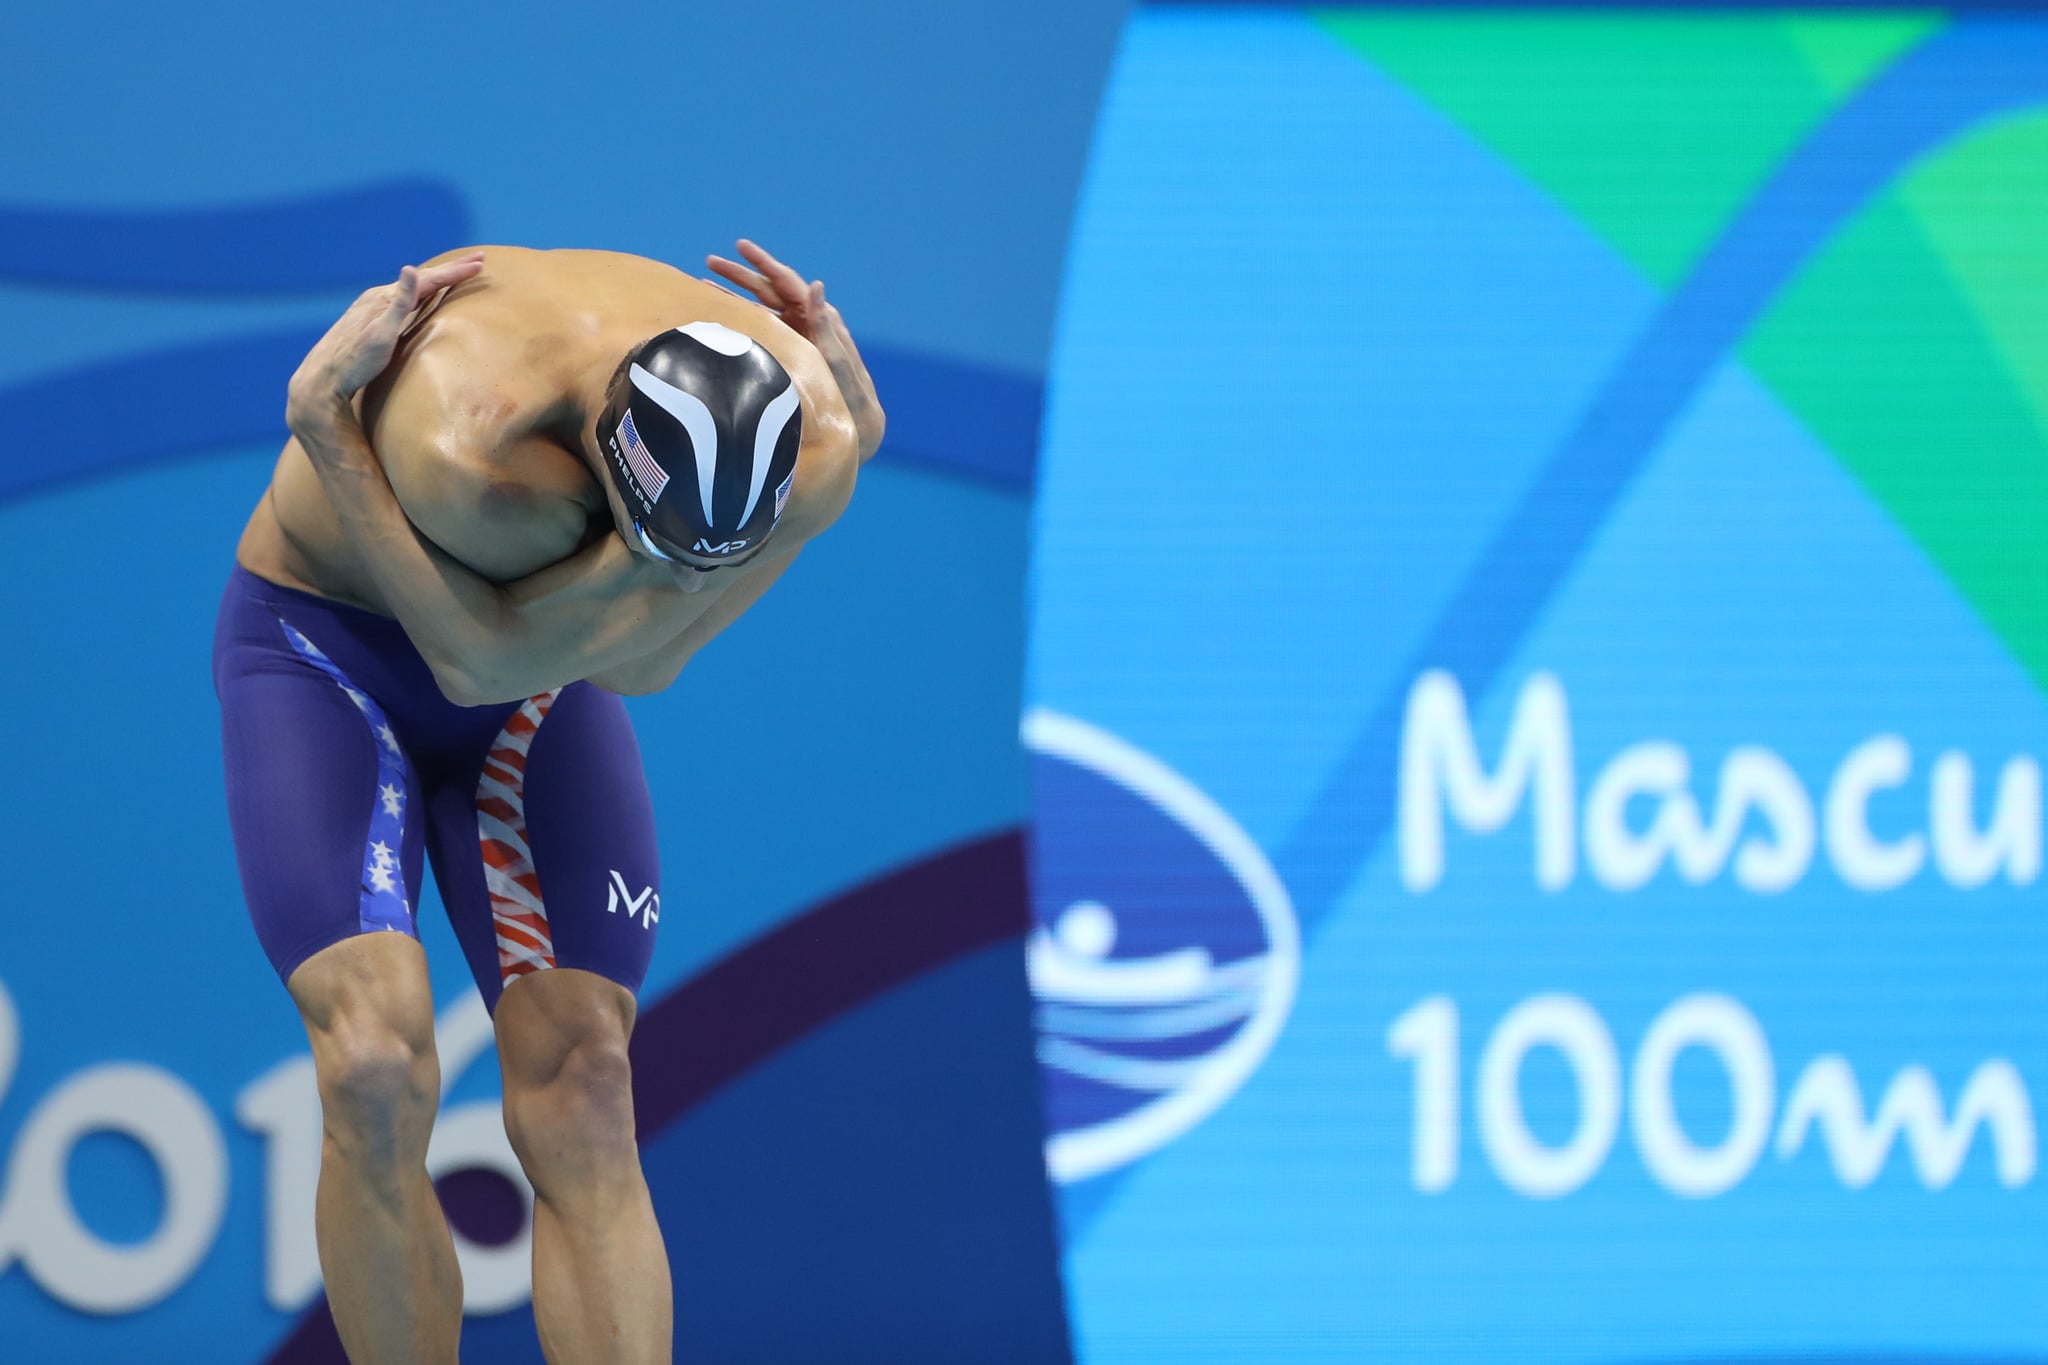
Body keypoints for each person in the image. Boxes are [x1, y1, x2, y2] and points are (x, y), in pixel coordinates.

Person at [213, 241, 884, 1364]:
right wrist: (327, 431)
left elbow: (640, 668)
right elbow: (477, 665)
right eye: (653, 548)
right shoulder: (470, 446)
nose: (684, 582)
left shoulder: (818, 444)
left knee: (584, 1083)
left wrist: (668, 563)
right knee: (373, 1069)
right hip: (325, 656)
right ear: (604, 473)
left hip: (528, 674)